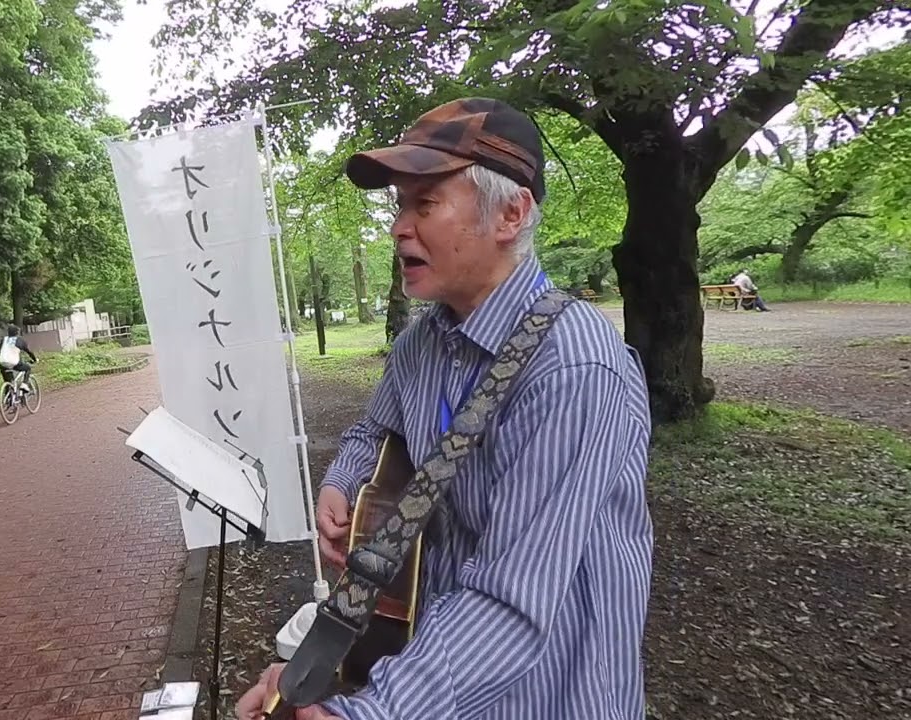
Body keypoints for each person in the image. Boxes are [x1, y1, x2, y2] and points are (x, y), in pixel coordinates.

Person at [236, 98, 654, 720]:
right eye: (399, 204)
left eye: (424, 203)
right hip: (441, 668)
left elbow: (512, 598)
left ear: (510, 213)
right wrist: (342, 481)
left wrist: (374, 711)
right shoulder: (423, 341)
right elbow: (375, 426)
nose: (399, 226)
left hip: (554, 691)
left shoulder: (574, 367)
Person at [0, 324, 37, 390]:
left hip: (2, 363)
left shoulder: (3, 339)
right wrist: (34, 359)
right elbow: (29, 352)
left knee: (8, 382)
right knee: (27, 368)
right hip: (13, 363)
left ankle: (8, 397)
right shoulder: (19, 340)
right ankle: (24, 384)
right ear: (17, 332)